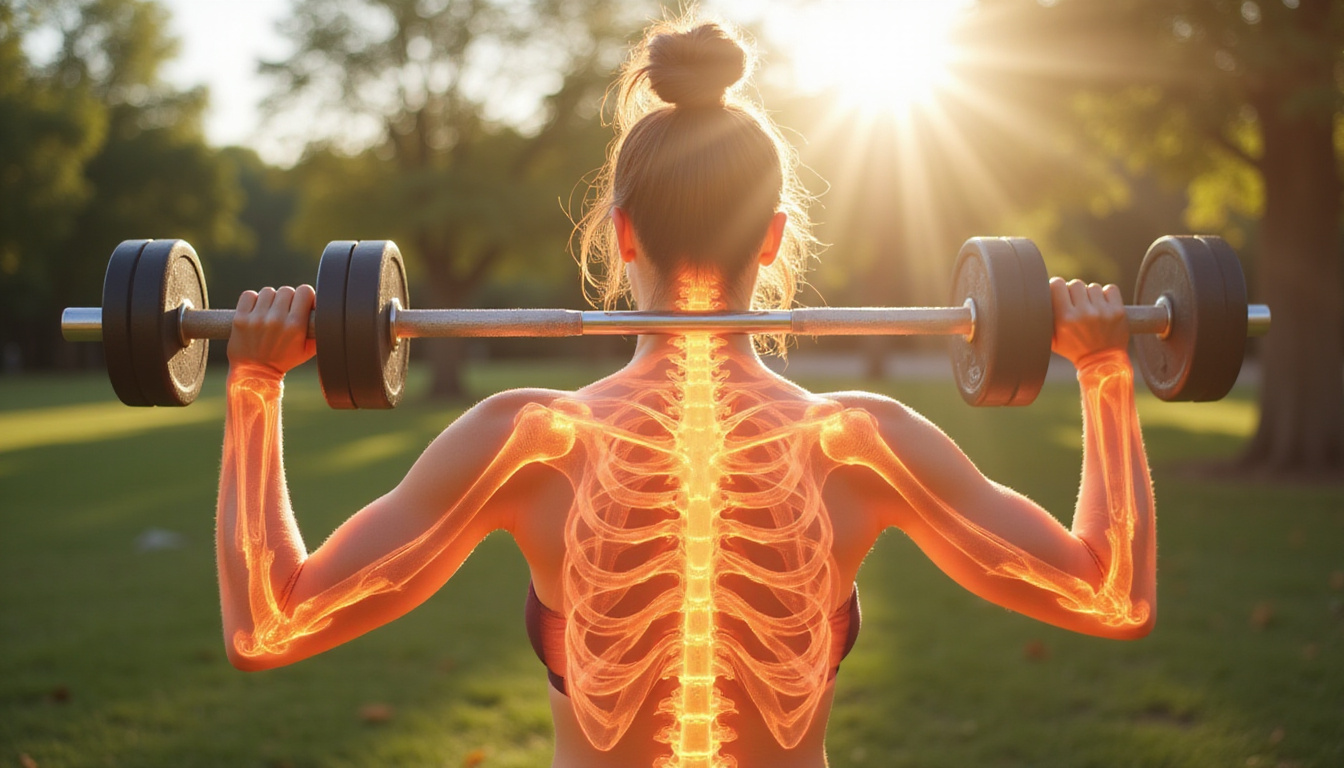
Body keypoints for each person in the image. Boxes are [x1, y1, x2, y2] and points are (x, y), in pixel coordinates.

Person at [216, 17, 1154, 768]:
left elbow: (271, 623)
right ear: (778, 237)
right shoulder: (863, 442)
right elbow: (1112, 594)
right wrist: (1108, 374)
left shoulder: (527, 439)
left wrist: (256, 386)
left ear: (621, 235)